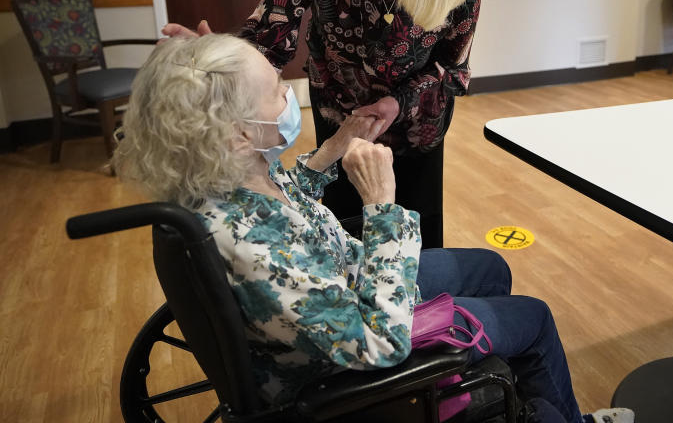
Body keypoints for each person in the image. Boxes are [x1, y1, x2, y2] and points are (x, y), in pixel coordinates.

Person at [112, 34, 633, 423]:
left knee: (492, 267)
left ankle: (504, 391)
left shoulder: (226, 180)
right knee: (535, 319)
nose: (288, 96)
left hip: (346, 283)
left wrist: (338, 142)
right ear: (236, 136)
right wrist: (382, 204)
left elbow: (288, 202)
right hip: (356, 349)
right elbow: (378, 343)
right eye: (276, 91)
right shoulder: (254, 249)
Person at [162, 0, 494, 250]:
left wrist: (396, 103)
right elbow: (273, 28)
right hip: (338, 108)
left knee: (412, 234)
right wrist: (219, 60)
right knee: (338, 227)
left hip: (417, 119)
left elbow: (451, 71)